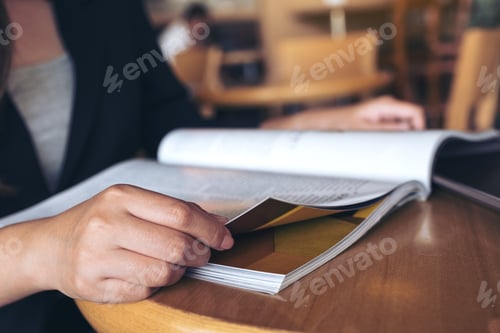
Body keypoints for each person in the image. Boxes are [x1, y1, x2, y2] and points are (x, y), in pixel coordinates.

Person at [0, 0, 424, 331]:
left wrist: (319, 124)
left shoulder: (108, 7)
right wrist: (43, 250)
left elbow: (176, 131)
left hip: (144, 300)